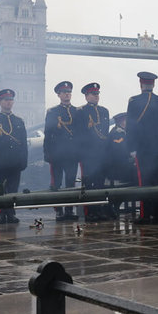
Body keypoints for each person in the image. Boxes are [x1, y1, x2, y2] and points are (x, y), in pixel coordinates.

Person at [126, 71, 158, 224]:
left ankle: (145, 215)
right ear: (153, 84)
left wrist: (131, 148)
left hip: (142, 149)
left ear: (141, 84)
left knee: (144, 182)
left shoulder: (134, 102)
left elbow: (131, 127)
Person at [0, 89, 28, 225]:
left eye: (10, 100)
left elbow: (24, 144)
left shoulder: (19, 121)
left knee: (13, 189)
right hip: (0, 162)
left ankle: (11, 213)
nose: (9, 102)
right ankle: (2, 214)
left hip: (15, 162)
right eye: (5, 100)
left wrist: (23, 161)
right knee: (1, 190)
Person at [44, 81, 80, 220]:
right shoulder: (53, 112)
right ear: (59, 95)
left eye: (69, 92)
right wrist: (47, 153)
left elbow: (80, 134)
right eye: (64, 92)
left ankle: (69, 210)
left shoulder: (76, 111)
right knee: (56, 183)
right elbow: (48, 134)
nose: (67, 94)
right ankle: (58, 210)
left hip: (72, 153)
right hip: (57, 154)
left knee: (70, 182)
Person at [77, 82, 110, 220]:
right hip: (88, 154)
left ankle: (100, 210)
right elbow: (79, 134)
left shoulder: (104, 111)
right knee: (88, 184)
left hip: (101, 153)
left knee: (100, 184)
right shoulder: (81, 112)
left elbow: (105, 133)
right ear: (86, 96)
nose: (96, 97)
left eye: (97, 94)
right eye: (93, 94)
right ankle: (89, 212)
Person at [106, 112, 136, 216]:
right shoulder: (116, 133)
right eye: (124, 120)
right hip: (117, 167)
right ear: (120, 121)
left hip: (123, 165)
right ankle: (114, 206)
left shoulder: (125, 132)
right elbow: (118, 151)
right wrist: (131, 154)